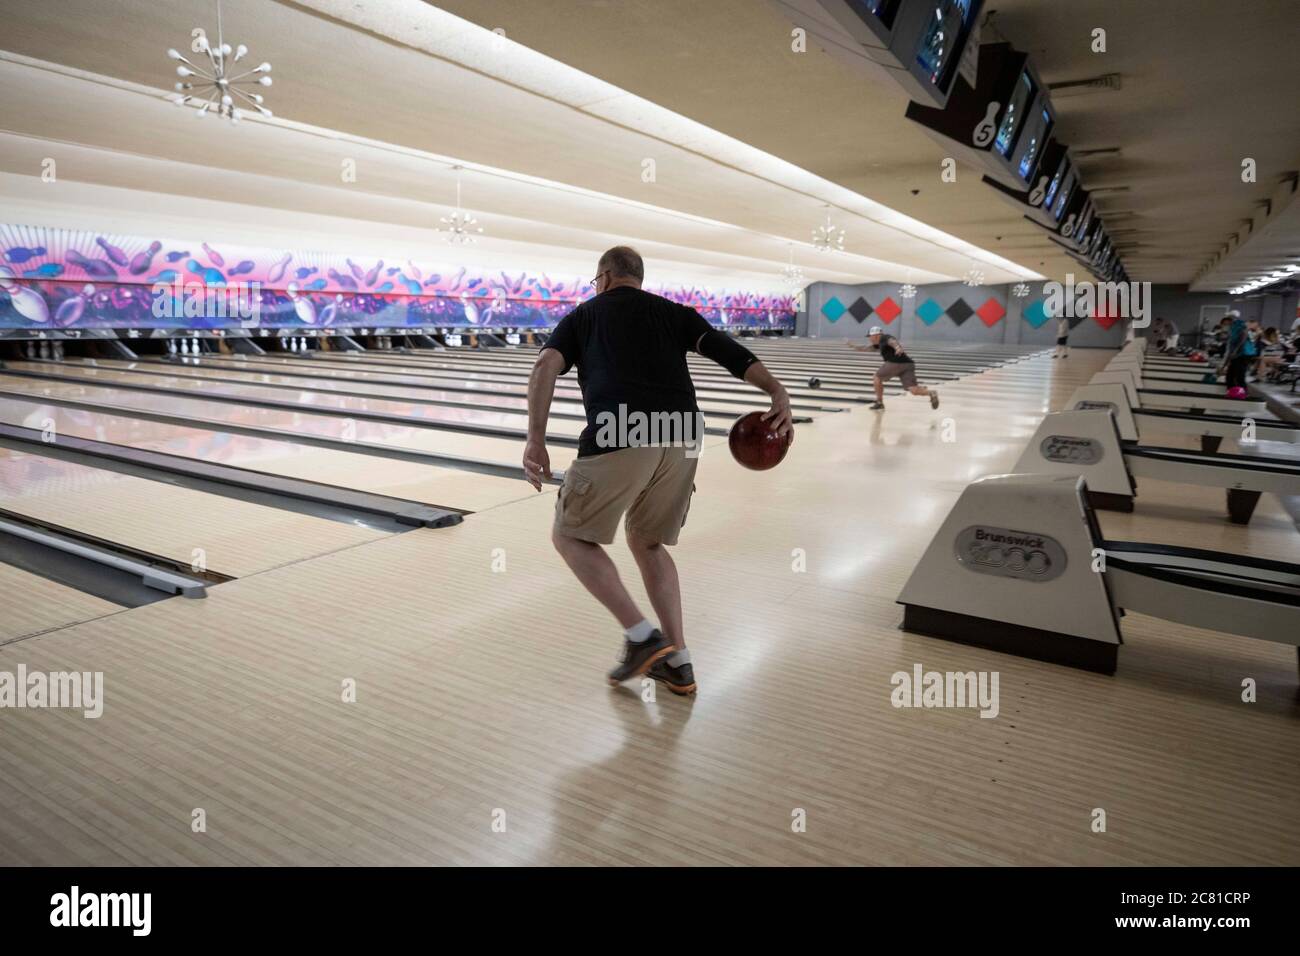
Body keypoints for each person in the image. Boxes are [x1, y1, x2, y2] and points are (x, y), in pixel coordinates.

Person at [523, 246, 792, 696]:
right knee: (647, 542)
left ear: (605, 277)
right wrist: (776, 390)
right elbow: (730, 352)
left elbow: (545, 365)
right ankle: (679, 661)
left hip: (620, 431)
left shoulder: (585, 315)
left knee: (569, 536)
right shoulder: (674, 313)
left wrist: (536, 437)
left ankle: (642, 636)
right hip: (684, 434)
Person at [846, 326, 940, 410]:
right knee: (913, 390)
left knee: (877, 377)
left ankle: (879, 402)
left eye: (870, 336)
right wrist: (853, 346)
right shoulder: (879, 344)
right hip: (908, 364)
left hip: (895, 363)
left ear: (876, 335)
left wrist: (898, 347)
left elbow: (892, 341)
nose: (869, 339)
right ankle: (931, 393)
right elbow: (866, 348)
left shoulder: (884, 337)